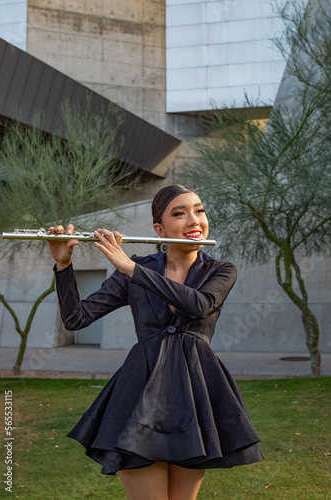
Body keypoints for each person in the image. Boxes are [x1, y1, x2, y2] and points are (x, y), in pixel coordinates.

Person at [48, 184, 264, 500]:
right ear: (160, 230)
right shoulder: (135, 270)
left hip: (194, 394)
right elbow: (76, 319)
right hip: (139, 392)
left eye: (199, 210)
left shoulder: (220, 271)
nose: (194, 220)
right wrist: (64, 266)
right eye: (180, 213)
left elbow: (200, 304)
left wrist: (131, 268)